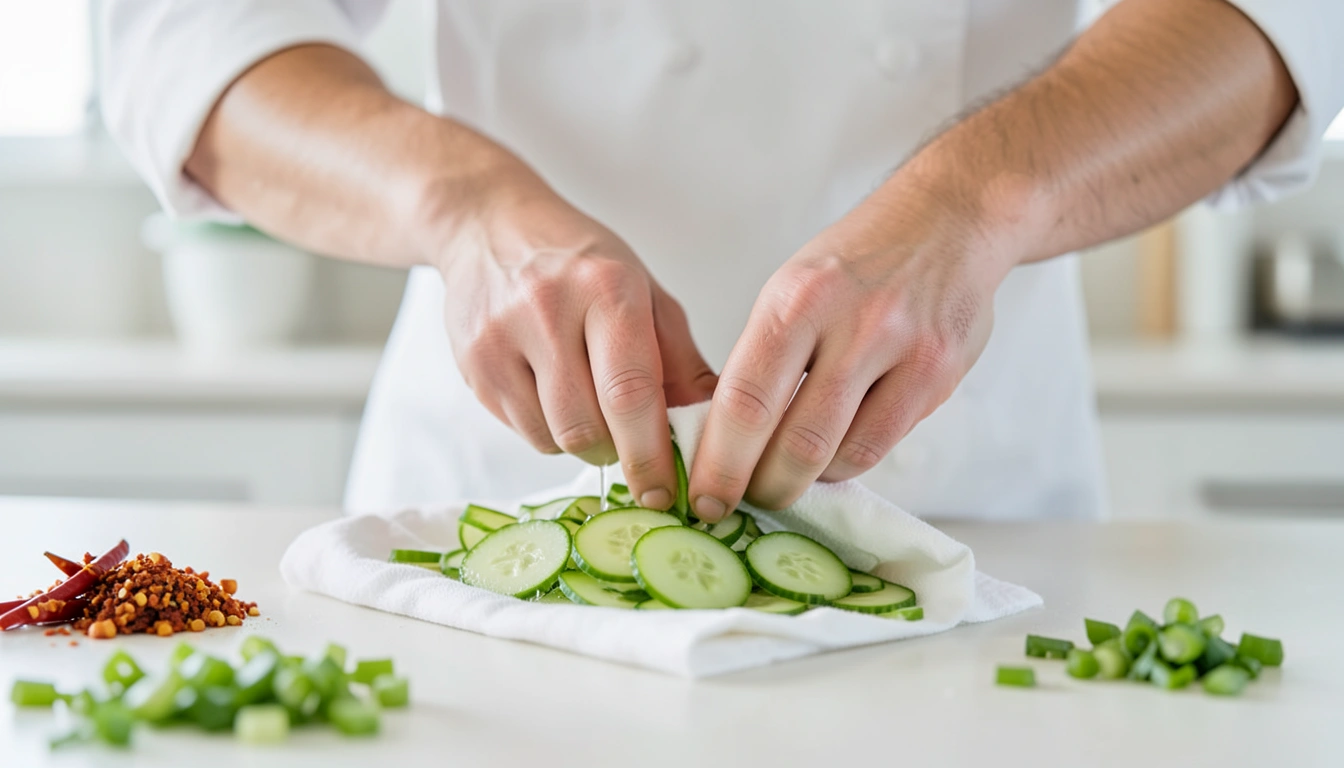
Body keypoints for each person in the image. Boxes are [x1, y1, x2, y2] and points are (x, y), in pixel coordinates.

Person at [103, 1, 1342, 521]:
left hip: (972, 505)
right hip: (497, 491)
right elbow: (191, 32)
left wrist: (983, 201)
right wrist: (462, 207)